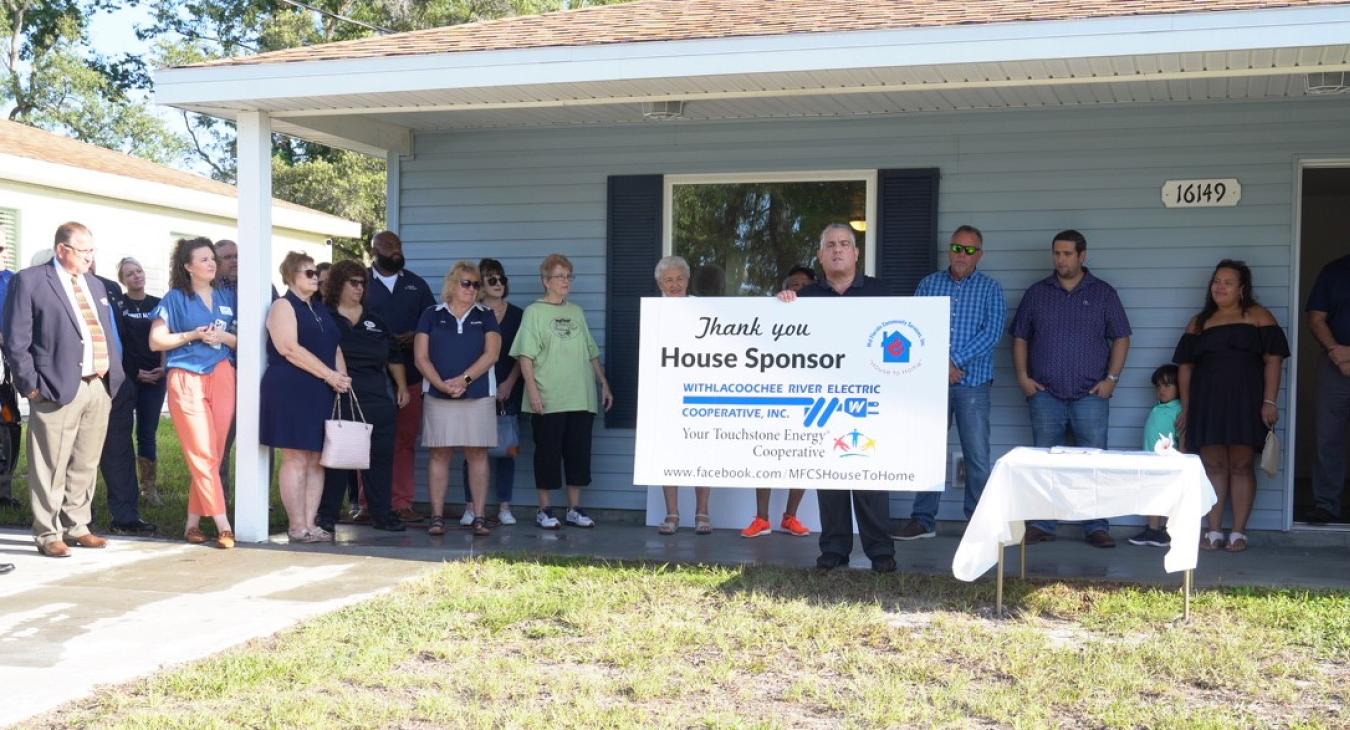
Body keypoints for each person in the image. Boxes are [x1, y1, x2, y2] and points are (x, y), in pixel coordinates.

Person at [777, 223, 897, 573]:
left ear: (857, 253)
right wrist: (783, 307)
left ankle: (881, 552)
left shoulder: (883, 293)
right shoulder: (806, 299)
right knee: (829, 481)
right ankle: (833, 550)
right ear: (820, 255)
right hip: (825, 404)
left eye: (845, 244)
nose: (838, 250)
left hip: (871, 403)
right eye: (830, 245)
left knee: (871, 480)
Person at [2, 222, 123, 557]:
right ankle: (48, 532)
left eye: (92, 250)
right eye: (84, 250)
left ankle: (78, 525)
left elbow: (101, 329)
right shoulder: (31, 280)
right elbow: (16, 340)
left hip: (97, 384)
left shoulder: (94, 283)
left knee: (86, 460)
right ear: (62, 250)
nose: (90, 257)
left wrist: (113, 377)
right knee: (50, 465)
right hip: (53, 387)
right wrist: (31, 386)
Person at [1010, 229, 1131, 549]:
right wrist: (1023, 377)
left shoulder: (1103, 293)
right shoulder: (1037, 293)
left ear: (1082, 256)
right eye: (1057, 253)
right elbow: (1020, 336)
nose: (1061, 259)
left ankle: (1096, 526)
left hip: (1090, 395)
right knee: (1045, 463)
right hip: (1045, 394)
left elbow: (1121, 336)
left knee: (1094, 463)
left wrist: (1112, 380)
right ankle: (1042, 523)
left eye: (1067, 254)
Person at [894, 225, 1006, 541]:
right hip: (931, 384)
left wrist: (953, 362)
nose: (961, 254)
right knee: (928, 451)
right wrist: (941, 364)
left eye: (969, 250)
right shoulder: (928, 285)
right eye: (957, 248)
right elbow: (914, 328)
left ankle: (977, 523)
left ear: (979, 255)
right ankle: (923, 520)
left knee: (977, 456)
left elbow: (992, 333)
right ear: (950, 250)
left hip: (974, 384)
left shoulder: (990, 289)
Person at [1175, 260, 1289, 553]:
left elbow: (1273, 360)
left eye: (1227, 282)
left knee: (1240, 465)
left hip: (1247, 401)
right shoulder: (1199, 323)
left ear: (1242, 288)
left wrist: (1269, 401)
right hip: (1207, 402)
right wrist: (1187, 408)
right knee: (1213, 465)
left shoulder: (1259, 317)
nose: (1220, 287)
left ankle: (1238, 532)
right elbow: (1185, 368)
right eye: (1216, 281)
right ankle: (1213, 532)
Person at [511, 253, 614, 530]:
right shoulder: (534, 312)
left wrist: (603, 382)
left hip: (580, 396)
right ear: (546, 281)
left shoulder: (576, 311)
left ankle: (574, 509)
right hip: (548, 396)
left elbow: (591, 351)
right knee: (547, 453)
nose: (566, 281)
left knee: (578, 452)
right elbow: (525, 357)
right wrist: (532, 391)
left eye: (569, 276)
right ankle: (545, 510)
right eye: (560, 276)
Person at [150, 238, 238, 549]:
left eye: (212, 258)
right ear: (188, 266)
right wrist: (192, 335)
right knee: (201, 453)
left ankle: (192, 523)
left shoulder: (228, 295)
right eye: (203, 259)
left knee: (212, 454)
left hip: (223, 373)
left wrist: (223, 336)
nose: (212, 264)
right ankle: (223, 523)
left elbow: (244, 342)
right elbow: (156, 341)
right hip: (186, 377)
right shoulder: (174, 298)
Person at [262, 251, 351, 543]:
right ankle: (296, 524)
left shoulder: (320, 308)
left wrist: (341, 378)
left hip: (322, 388)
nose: (316, 277)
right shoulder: (283, 306)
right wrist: (329, 375)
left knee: (317, 458)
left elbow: (334, 346)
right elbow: (288, 348)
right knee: (296, 457)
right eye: (309, 273)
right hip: (293, 387)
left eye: (316, 273)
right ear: (291, 276)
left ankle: (311, 523)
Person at [316, 260, 408, 534]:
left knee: (380, 458)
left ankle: (381, 514)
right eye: (353, 282)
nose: (359, 287)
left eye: (363, 283)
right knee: (339, 459)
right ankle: (328, 516)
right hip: (340, 395)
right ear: (338, 285)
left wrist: (402, 386)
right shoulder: (325, 316)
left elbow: (393, 356)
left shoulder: (375, 319)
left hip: (378, 396)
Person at [415, 261, 500, 537]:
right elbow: (421, 356)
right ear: (452, 284)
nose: (473, 289)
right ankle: (437, 516)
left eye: (477, 285)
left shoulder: (486, 315)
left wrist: (463, 380)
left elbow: (492, 354)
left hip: (477, 394)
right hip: (439, 395)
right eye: (467, 283)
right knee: (440, 453)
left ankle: (479, 516)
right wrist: (441, 384)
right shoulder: (431, 314)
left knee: (477, 453)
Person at [365, 231, 436, 522]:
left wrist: (417, 336)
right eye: (389, 247)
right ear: (375, 251)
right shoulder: (361, 283)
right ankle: (367, 505)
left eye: (398, 247)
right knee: (368, 441)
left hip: (411, 375)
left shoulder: (416, 285)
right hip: (371, 377)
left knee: (404, 441)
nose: (395, 251)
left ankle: (401, 502)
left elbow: (432, 322)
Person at [651, 255, 714, 535]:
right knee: (669, 453)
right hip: (665, 391)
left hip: (700, 390)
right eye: (668, 280)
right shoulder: (653, 312)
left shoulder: (703, 309)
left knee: (701, 452)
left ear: (687, 280)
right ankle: (672, 514)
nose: (674, 284)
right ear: (660, 283)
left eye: (679, 279)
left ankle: (702, 513)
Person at [460, 257, 523, 527]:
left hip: (508, 388)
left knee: (507, 449)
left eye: (502, 279)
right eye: (492, 280)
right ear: (481, 285)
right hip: (475, 389)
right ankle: (472, 506)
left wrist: (509, 383)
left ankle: (504, 506)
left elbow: (524, 354)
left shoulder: (519, 315)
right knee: (473, 451)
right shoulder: (470, 314)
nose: (499, 284)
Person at [114, 258, 167, 511]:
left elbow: (166, 337)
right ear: (122, 280)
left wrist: (164, 367)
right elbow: (118, 344)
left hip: (156, 377)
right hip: (129, 377)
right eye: (130, 274)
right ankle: (126, 488)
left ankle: (149, 488)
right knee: (122, 432)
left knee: (147, 433)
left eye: (139, 270)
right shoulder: (119, 305)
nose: (137, 276)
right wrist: (135, 373)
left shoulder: (158, 304)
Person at [1305, 253, 1350, 525]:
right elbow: (1316, 318)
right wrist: (1337, 353)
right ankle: (1327, 504)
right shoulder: (1335, 270)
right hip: (1336, 364)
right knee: (1328, 436)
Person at [1128, 364, 1182, 547]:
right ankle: (1153, 529)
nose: (1161, 390)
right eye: (1158, 386)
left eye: (1167, 385)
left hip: (1169, 464)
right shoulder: (1158, 407)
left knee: (1169, 497)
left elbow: (1181, 437)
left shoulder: (1178, 410)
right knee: (1152, 494)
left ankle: (1169, 531)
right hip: (1151, 462)